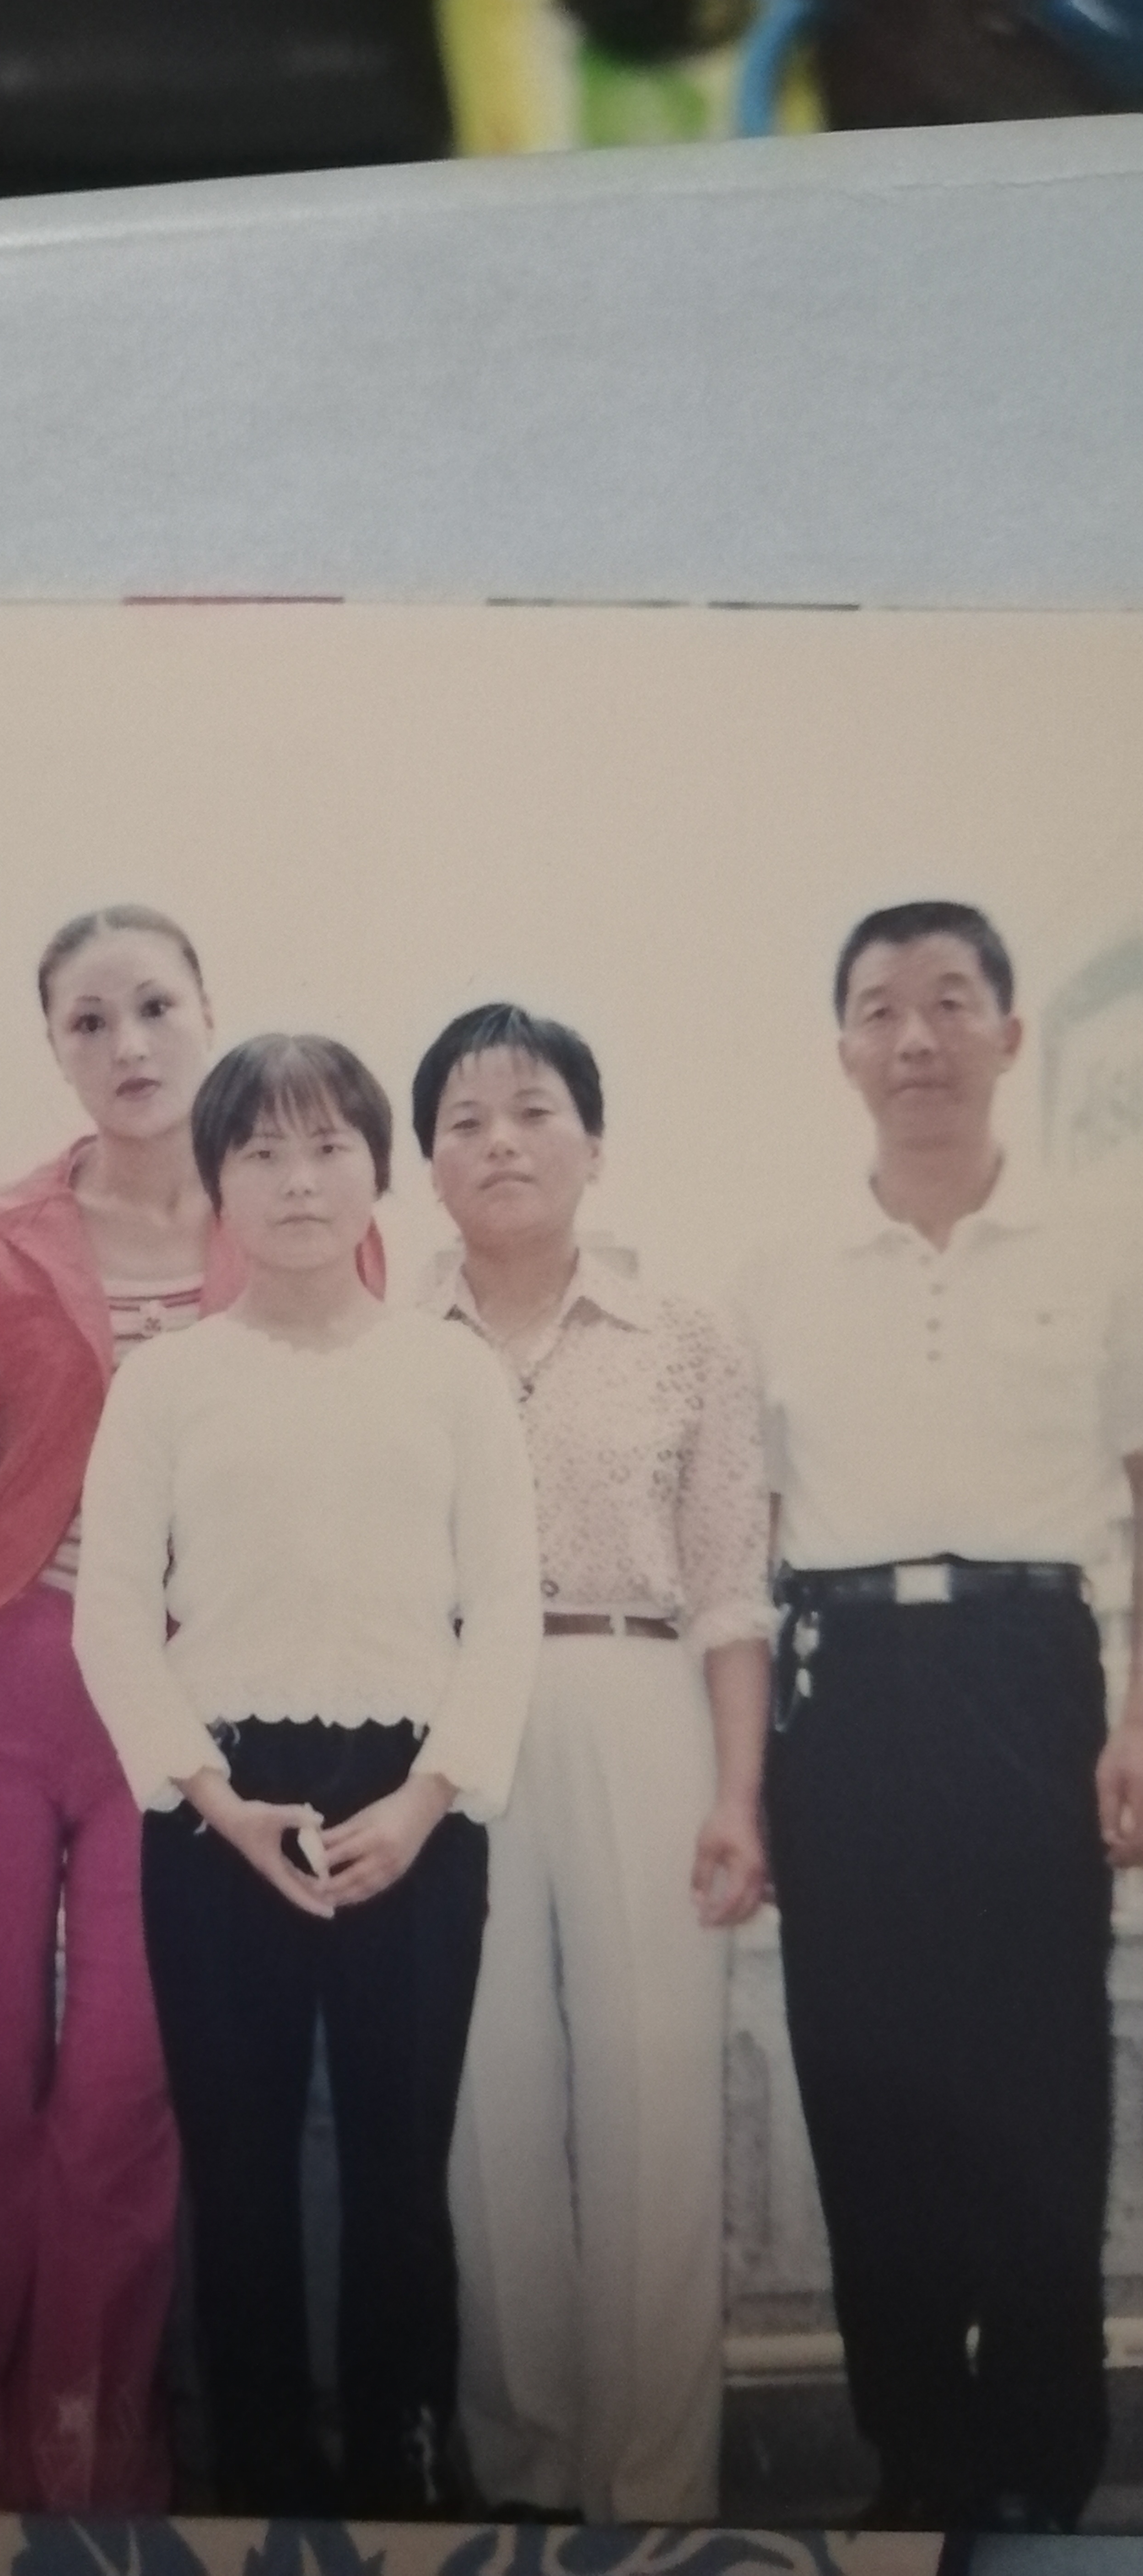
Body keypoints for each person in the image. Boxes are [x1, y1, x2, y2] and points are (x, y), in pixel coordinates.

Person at [73, 1033, 542, 2519]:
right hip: (221, 1807)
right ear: (217, 1182)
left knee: (403, 2161)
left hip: (414, 1796)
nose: (297, 1180)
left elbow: (506, 1606)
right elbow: (109, 1613)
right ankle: (262, 2473)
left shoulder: (451, 1372)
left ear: (375, 1171)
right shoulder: (166, 1384)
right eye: (261, 1151)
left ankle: (405, 2466)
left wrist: (428, 1799)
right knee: (239, 2163)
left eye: (329, 1145)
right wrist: (212, 1800)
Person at [734, 900, 1143, 2532]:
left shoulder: (1104, 1253)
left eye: (952, 1002)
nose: (917, 1038)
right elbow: (744, 1544)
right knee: (863, 2082)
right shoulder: (778, 1275)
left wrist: (1136, 1719)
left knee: (1045, 2084)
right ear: (843, 1048)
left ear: (1009, 1034)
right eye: (882, 1009)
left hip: (1035, 1675)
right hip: (844, 1690)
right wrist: (743, 1783)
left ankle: (1043, 2469)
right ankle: (916, 2458)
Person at [414, 1001, 773, 2524]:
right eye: (465, 1120)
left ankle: (657, 2486)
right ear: (427, 1162)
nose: (501, 1141)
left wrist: (738, 1795)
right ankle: (526, 2466)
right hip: (451, 1726)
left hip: (639, 1691)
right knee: (485, 2099)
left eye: (534, 1110)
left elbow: (732, 1583)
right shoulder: (389, 1341)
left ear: (595, 1144)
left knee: (655, 2091)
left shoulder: (684, 1335)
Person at [0, 904, 211, 2513]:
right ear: (55, 1049)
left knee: (120, 2091)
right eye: (90, 1022)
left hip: (185, 1698)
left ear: (208, 1015)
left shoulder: (296, 1217)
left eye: (155, 1006)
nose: (129, 1045)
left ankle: (95, 2448)